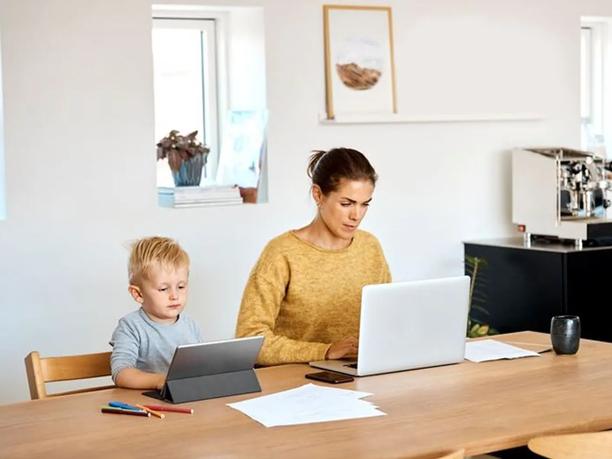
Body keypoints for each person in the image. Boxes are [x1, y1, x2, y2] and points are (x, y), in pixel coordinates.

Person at [236, 147, 391, 365]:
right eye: (346, 204)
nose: (356, 215)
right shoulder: (282, 253)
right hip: (294, 380)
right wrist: (325, 351)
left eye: (364, 204)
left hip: (358, 374)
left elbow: (387, 321)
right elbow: (249, 339)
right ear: (318, 194)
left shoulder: (370, 247)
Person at [110, 236, 202, 389]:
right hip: (147, 403)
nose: (174, 295)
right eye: (163, 289)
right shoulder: (131, 327)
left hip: (185, 400)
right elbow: (121, 373)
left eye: (181, 287)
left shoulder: (191, 325)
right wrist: (160, 381)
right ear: (138, 294)